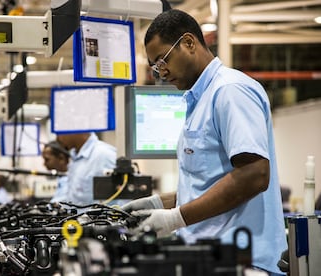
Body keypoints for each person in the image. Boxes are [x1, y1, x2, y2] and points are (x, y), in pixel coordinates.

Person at [121, 9, 287, 275]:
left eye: (163, 60)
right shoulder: (199, 100)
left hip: (241, 262)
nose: (161, 72)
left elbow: (254, 174)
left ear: (188, 43)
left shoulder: (229, 91)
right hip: (210, 259)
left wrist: (176, 218)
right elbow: (207, 184)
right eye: (155, 66)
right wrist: (157, 204)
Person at [56, 132, 117, 205]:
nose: (57, 139)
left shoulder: (105, 155)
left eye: (59, 133)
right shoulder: (74, 158)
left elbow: (122, 201)